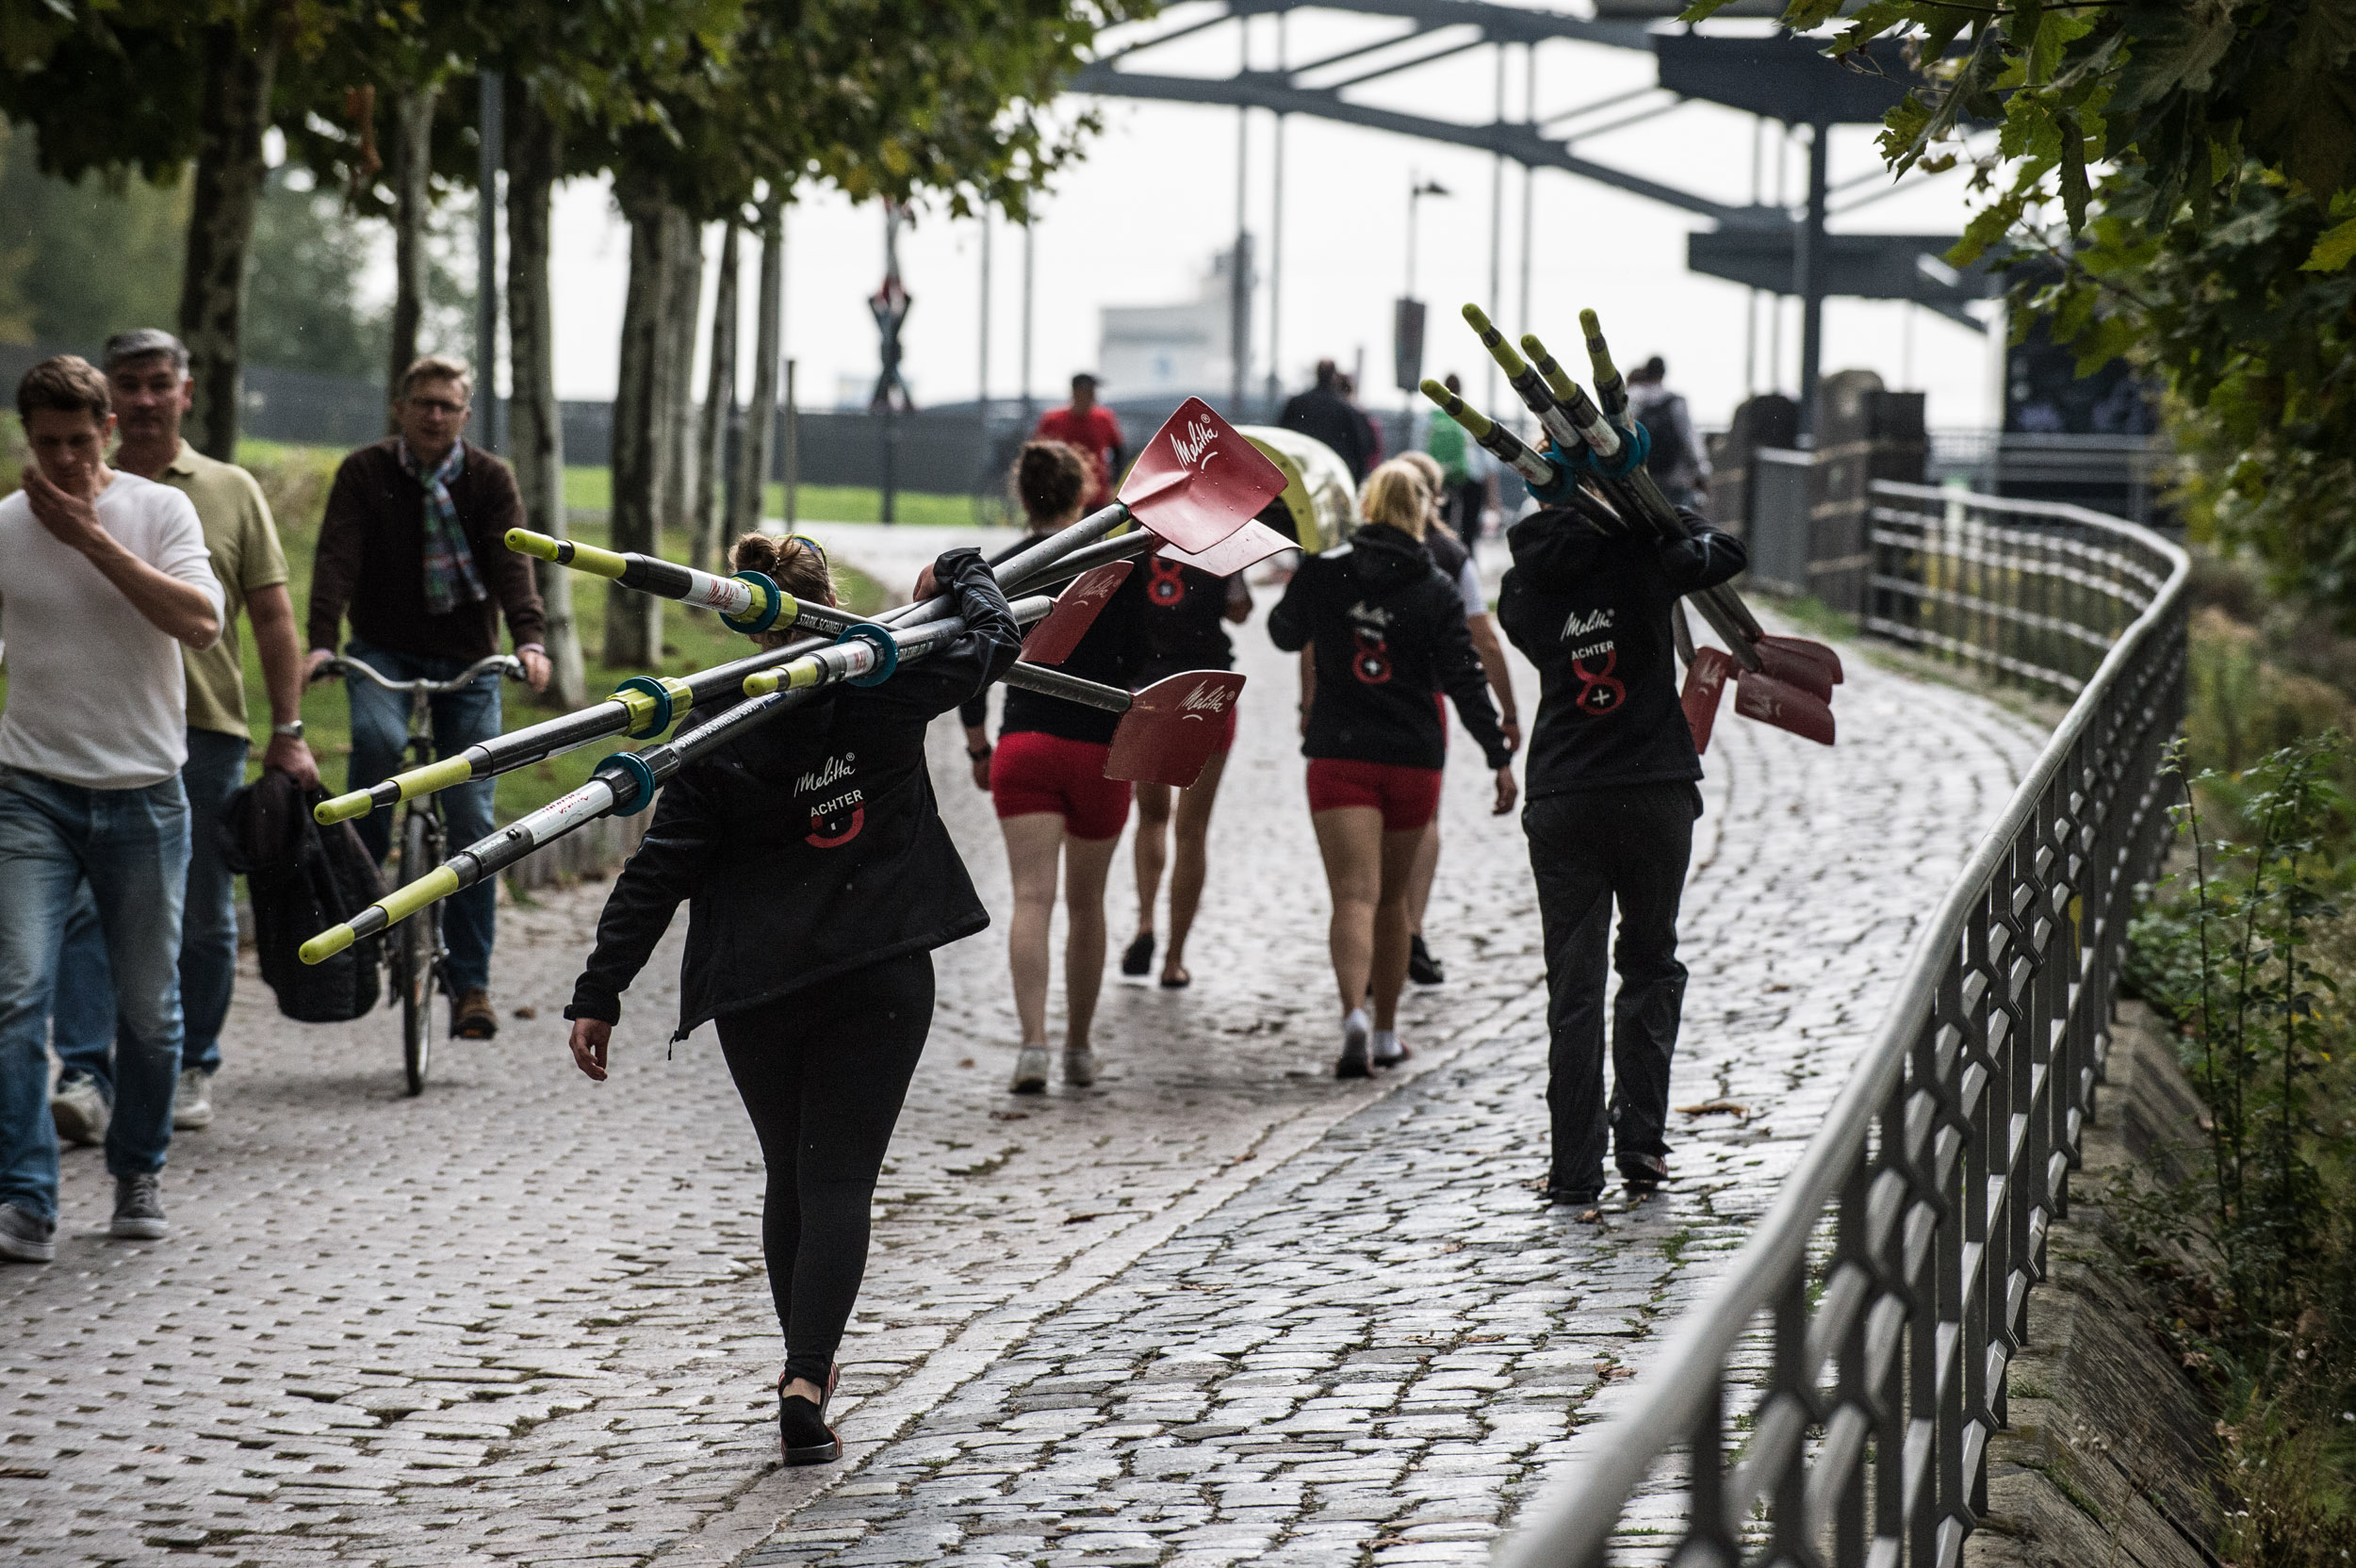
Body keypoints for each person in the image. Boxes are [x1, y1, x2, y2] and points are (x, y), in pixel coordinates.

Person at [564, 534, 1021, 1466]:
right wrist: (962, 572)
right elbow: (992, 643)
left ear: (744, 623)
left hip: (760, 984)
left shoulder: (716, 726)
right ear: (829, 603)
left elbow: (660, 869)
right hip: (879, 969)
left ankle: (800, 1366)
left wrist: (599, 990)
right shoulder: (886, 685)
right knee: (839, 1176)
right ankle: (806, 1375)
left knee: (791, 1172)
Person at [45, 331, 320, 1151]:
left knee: (198, 914)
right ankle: (87, 1075)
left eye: (158, 384)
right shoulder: (70, 486)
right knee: (87, 910)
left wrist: (290, 729)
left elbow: (271, 615)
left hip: (203, 729)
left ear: (186, 392)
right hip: (89, 726)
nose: (144, 400)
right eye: (127, 385)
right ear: (106, 400)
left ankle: (194, 1060)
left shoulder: (230, 490)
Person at [0, 355, 223, 1262]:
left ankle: (137, 1169)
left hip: (142, 796)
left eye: (78, 441)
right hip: (30, 793)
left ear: (106, 433)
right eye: (45, 444)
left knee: (149, 1010)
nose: (61, 460)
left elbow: (201, 622)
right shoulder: (7, 526)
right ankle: (25, 1197)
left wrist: (93, 539)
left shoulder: (158, 510)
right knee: (16, 995)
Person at [1497, 482, 1746, 1210]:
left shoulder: (1521, 589)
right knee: (1649, 962)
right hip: (1652, 788)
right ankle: (1641, 1141)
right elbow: (1726, 551)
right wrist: (1655, 509)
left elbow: (1553, 616)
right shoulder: (1645, 556)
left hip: (1565, 794)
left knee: (1572, 991)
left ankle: (1574, 1170)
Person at [304, 355, 551, 1040]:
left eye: (448, 405)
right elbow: (336, 557)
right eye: (423, 403)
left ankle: (470, 982)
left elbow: (513, 563)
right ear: (400, 408)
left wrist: (529, 642)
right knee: (381, 749)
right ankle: (364, 888)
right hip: (380, 649)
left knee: (472, 816)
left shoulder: (489, 480)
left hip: (469, 659)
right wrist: (322, 642)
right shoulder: (364, 473)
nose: (434, 415)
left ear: (465, 416)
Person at [1268, 459, 1514, 1080]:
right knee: (1395, 904)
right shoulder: (1434, 587)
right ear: (1422, 510)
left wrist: (1309, 572)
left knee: (1352, 895)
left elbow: (1280, 632)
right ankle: (1385, 1033)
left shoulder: (1327, 571)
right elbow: (1463, 675)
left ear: (1367, 509)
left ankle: (1352, 1012)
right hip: (1411, 757)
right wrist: (1498, 755)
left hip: (1339, 754)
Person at [959, 442, 1152, 1093]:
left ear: (1023, 495)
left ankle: (1032, 1045)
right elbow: (1144, 656)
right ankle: (1079, 1048)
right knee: (1087, 903)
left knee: (1031, 899)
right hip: (1099, 748)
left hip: (1025, 743)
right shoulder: (1112, 562)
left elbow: (973, 661)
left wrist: (978, 743)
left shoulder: (1001, 569)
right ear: (1083, 495)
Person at [1395, 449, 1521, 988]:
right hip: (1426, 704)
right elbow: (1483, 639)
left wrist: (1310, 702)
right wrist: (1508, 714)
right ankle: (1411, 931)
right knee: (1422, 822)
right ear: (1436, 495)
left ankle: (1385, 930)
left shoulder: (1356, 551)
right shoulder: (1450, 554)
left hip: (1360, 705)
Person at [1120, 549, 1252, 990]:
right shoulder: (1225, 541)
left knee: (1150, 816)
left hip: (1150, 688)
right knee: (1191, 830)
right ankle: (1174, 960)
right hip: (1208, 690)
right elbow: (1240, 609)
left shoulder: (1137, 543)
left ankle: (1144, 924)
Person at [1032, 373, 1125, 514]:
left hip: (1096, 496)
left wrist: (1115, 484)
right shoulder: (1053, 420)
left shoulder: (1104, 418)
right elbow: (1037, 456)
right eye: (1088, 392)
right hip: (1060, 495)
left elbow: (1119, 452)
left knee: (1094, 534)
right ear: (1075, 392)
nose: (1093, 396)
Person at [1628, 357, 1710, 513]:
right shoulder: (1675, 402)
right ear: (1663, 373)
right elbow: (1689, 440)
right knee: (1680, 521)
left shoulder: (1633, 399)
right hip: (1675, 478)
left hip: (1644, 475)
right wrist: (1700, 472)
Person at [1425, 372, 1497, 544]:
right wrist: (1493, 497)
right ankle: (1466, 560)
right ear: (1461, 390)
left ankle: (1444, 556)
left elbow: (1421, 451)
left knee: (1442, 525)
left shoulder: (1432, 416)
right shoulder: (1472, 414)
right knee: (1469, 528)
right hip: (1472, 476)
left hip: (1442, 476)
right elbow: (1489, 460)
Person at [1279, 360, 1374, 482]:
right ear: (1334, 376)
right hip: (1333, 477)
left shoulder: (1296, 403)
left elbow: (1283, 436)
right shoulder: (1347, 410)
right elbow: (1363, 449)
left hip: (1300, 473)